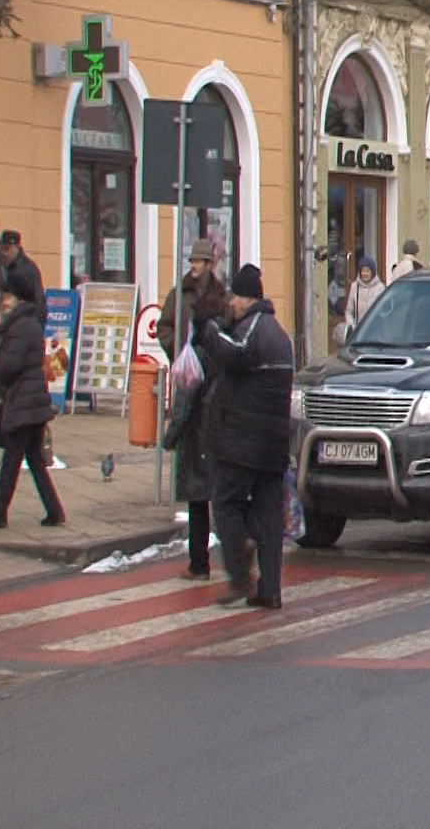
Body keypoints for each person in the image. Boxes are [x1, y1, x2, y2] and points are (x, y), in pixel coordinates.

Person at [200, 264, 294, 609]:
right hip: (273, 443)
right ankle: (270, 590)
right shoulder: (280, 335)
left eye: (236, 297)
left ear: (248, 298)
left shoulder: (253, 329)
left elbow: (234, 352)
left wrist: (211, 330)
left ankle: (240, 577)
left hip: (243, 442)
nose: (232, 303)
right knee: (269, 517)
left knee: (226, 504)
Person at [156, 238, 228, 580]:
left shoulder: (221, 296)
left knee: (212, 493)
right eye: (193, 261)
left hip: (207, 401)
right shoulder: (180, 293)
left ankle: (215, 560)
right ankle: (202, 560)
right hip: (192, 379)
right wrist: (177, 350)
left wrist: (171, 434)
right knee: (200, 494)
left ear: (210, 264)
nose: (195, 266)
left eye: (200, 261)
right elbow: (164, 326)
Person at [0, 272, 65, 529]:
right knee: (34, 460)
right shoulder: (27, 322)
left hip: (24, 401)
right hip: (31, 400)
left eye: (9, 296)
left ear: (20, 299)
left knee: (12, 460)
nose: (4, 301)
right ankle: (54, 511)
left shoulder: (21, 325)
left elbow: (10, 364)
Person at [0, 229, 45, 328]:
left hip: (21, 324)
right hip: (0, 323)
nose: (3, 253)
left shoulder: (27, 270)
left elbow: (38, 301)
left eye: (7, 249)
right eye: (1, 249)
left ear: (17, 248)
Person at [344, 257, 385, 333]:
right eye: (363, 271)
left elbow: (384, 311)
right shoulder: (355, 286)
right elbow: (349, 311)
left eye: (367, 271)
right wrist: (352, 326)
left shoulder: (380, 288)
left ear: (372, 272)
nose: (365, 274)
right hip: (358, 331)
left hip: (375, 330)